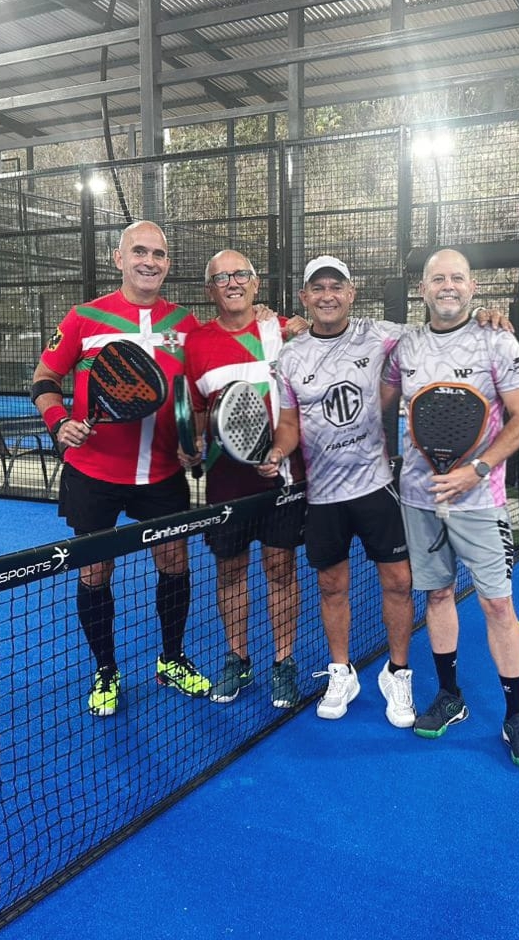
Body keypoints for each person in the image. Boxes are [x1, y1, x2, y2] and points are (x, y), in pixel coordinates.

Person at [31, 219, 210, 717]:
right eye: (139, 252)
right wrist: (59, 421)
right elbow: (44, 378)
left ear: (168, 263)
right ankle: (106, 670)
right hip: (93, 474)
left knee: (175, 563)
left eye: (158, 254)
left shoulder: (187, 324)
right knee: (95, 570)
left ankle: (171, 659)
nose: (149, 261)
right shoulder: (84, 318)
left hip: (163, 474)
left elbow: (196, 396)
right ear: (119, 258)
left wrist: (195, 441)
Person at [381, 248, 519, 768]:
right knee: (437, 595)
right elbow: (376, 392)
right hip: (419, 497)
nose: (447, 286)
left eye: (457, 277)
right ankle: (450, 696)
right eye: (437, 278)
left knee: (497, 605)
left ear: (472, 287)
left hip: (480, 500)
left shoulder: (497, 340)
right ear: (423, 289)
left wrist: (477, 469)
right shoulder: (404, 346)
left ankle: (516, 715)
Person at [255, 255, 418, 727]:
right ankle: (341, 672)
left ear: (350, 293)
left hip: (376, 486)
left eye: (336, 286)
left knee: (400, 582)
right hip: (323, 496)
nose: (327, 295)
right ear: (304, 297)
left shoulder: (380, 334)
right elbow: (289, 423)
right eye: (318, 288)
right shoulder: (291, 357)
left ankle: (398, 674)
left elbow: (438, 333)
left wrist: (482, 318)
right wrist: (277, 451)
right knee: (331, 586)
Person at [184, 250, 309, 708]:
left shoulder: (284, 331)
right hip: (226, 483)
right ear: (210, 290)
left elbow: (332, 332)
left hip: (283, 479)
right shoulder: (196, 344)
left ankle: (283, 663)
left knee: (280, 569)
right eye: (221, 278)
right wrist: (193, 443)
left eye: (241, 275)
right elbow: (199, 412)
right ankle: (237, 659)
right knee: (230, 571)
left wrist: (301, 325)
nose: (232, 283)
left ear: (256, 284)